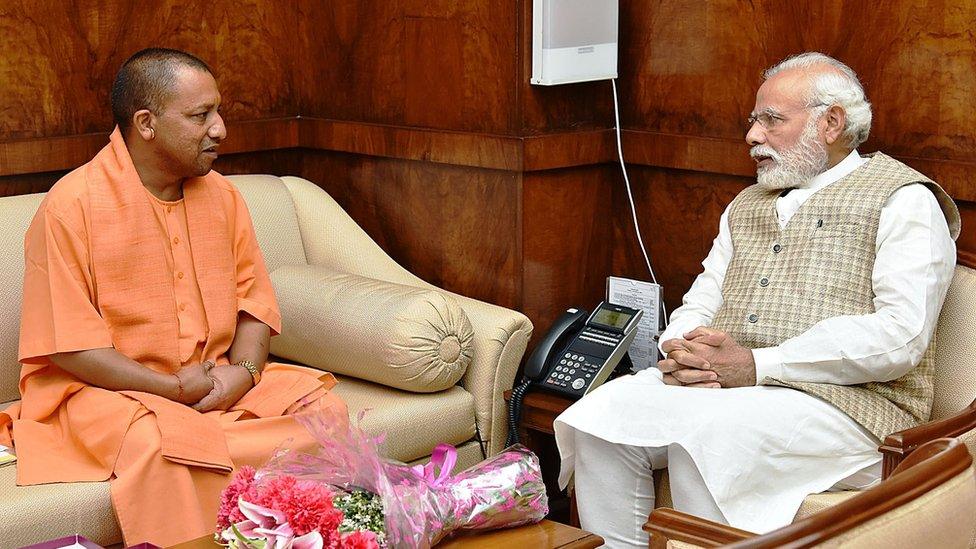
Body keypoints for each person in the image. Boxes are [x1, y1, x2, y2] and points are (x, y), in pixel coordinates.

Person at [554, 52, 960, 548]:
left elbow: (901, 336)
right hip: (730, 388)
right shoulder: (746, 205)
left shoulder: (904, 199)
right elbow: (702, 298)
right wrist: (682, 348)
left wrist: (757, 364)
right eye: (753, 121)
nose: (752, 136)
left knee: (706, 442)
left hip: (854, 407)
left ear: (831, 122)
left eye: (772, 120)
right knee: (601, 418)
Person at [0, 48, 346, 546]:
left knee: (323, 410)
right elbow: (70, 347)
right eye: (201, 115)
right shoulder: (71, 207)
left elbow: (254, 306)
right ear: (146, 124)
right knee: (161, 444)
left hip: (211, 382)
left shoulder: (223, 197)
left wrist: (243, 374)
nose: (221, 129)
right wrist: (170, 391)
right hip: (105, 394)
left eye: (218, 111)